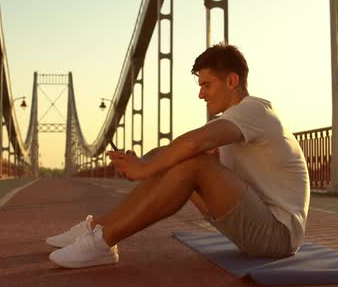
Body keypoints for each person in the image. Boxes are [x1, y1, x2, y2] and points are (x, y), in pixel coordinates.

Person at [46, 43, 310, 268]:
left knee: (193, 161)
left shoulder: (255, 110)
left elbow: (193, 144)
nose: (200, 94)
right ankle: (98, 228)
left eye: (206, 85)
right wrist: (141, 162)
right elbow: (176, 149)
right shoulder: (232, 121)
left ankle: (104, 242)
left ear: (231, 81)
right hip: (253, 224)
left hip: (278, 235)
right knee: (180, 158)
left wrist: (144, 170)